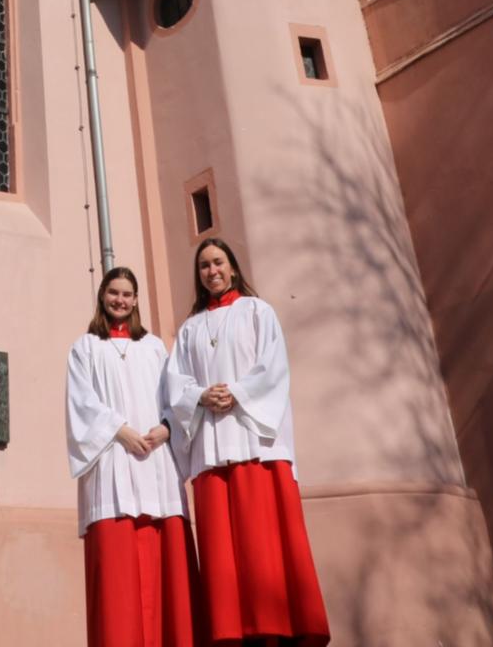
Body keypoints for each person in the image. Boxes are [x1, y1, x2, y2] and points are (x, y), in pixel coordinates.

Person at [166, 238, 329, 646]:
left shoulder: (258, 312)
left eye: (218, 262)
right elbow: (175, 384)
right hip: (212, 446)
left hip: (255, 444)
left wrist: (236, 392)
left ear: (233, 268)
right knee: (222, 552)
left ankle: (278, 630)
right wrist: (200, 396)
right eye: (204, 266)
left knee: (263, 545)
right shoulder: (189, 329)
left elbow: (273, 368)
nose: (212, 271)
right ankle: (231, 632)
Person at [66, 265, 197, 647]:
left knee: (165, 576)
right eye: (113, 293)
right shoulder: (85, 348)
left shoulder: (155, 347)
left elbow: (177, 397)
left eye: (127, 294)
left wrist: (168, 427)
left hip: (156, 465)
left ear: (136, 300)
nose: (120, 300)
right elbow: (81, 405)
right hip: (112, 464)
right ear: (102, 296)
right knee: (118, 581)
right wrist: (119, 431)